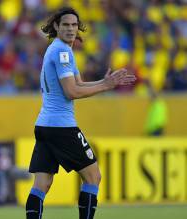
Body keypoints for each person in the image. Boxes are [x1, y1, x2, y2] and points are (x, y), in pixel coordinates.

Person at [25, 7, 136, 219]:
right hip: (62, 127)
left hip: (44, 126)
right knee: (93, 177)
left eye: (74, 25)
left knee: (42, 184)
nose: (71, 29)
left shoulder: (56, 49)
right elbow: (72, 91)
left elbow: (78, 83)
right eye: (65, 24)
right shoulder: (63, 52)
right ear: (56, 26)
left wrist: (105, 82)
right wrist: (105, 87)